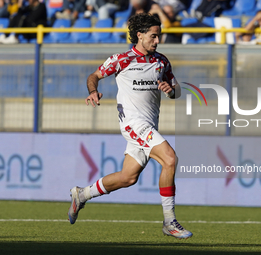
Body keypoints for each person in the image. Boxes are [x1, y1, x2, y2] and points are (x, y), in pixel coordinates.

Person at [67, 13, 193, 239]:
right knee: (170, 158)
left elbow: (176, 91)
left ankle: (81, 194)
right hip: (133, 124)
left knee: (128, 177)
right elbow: (94, 75)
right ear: (140, 35)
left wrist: (170, 90)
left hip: (149, 125)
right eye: (153, 36)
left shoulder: (162, 61)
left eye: (159, 36)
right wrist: (93, 91)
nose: (157, 41)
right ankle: (169, 221)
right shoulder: (121, 60)